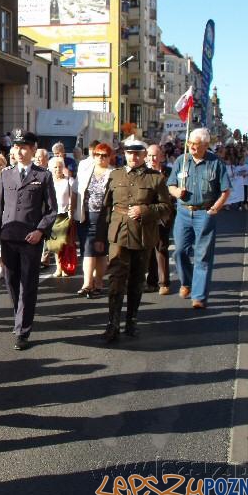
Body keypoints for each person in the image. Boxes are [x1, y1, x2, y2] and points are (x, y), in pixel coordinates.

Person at [96, 137, 172, 342]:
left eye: (138, 153)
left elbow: (166, 208)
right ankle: (112, 324)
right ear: (124, 154)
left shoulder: (155, 178)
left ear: (144, 156)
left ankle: (131, 321)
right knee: (116, 280)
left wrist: (145, 210)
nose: (133, 156)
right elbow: (106, 208)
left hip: (143, 235)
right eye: (130, 153)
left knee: (137, 280)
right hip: (118, 233)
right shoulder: (115, 175)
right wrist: (100, 237)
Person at [0, 130, 57, 350]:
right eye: (15, 147)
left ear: (32, 149)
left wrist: (40, 231)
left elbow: (51, 210)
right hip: (8, 237)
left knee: (28, 285)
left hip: (31, 239)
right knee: (11, 282)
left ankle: (22, 330)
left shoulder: (43, 176)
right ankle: (19, 315)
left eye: (23, 148)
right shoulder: (6, 174)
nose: (18, 151)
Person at [168, 127, 231, 309]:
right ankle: (186, 282)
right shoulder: (182, 160)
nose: (191, 147)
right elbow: (170, 185)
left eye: (195, 144)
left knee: (202, 256)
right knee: (179, 251)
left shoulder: (216, 163)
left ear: (205, 145)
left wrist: (215, 208)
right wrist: (176, 192)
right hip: (183, 212)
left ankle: (199, 296)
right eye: (190, 143)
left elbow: (226, 191)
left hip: (205, 213)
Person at [72, 143, 114, 298]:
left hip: (104, 218)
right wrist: (72, 213)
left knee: (99, 250)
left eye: (104, 155)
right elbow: (75, 192)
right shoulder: (84, 171)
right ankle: (91, 283)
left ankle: (94, 282)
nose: (100, 158)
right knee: (88, 250)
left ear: (110, 157)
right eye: (97, 154)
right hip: (85, 216)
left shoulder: (114, 173)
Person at [144, 144, 174, 295]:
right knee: (149, 247)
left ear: (161, 157)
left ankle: (164, 282)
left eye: (155, 156)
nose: (152, 159)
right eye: (149, 156)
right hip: (148, 214)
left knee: (161, 247)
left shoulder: (169, 172)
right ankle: (151, 282)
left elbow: (173, 192)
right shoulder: (143, 173)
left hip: (163, 215)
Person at [48, 156, 74, 277]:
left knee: (63, 242)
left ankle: (64, 266)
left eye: (60, 166)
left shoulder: (69, 181)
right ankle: (58, 267)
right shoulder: (48, 182)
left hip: (65, 215)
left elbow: (73, 198)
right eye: (55, 167)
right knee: (55, 244)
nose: (58, 169)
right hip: (52, 215)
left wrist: (71, 209)